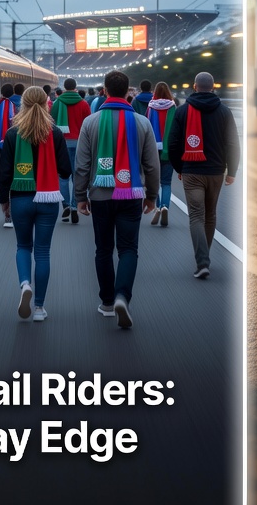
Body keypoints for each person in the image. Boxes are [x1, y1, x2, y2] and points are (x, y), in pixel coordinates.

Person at [74, 70, 159, 329]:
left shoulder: (90, 122)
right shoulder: (142, 123)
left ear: (106, 90)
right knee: (128, 248)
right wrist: (151, 195)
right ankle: (123, 296)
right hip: (131, 194)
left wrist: (80, 197)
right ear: (127, 91)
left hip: (100, 196)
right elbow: (152, 165)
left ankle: (108, 302)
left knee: (103, 249)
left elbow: (82, 165)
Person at [0, 86, 70, 323]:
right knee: (42, 252)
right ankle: (39, 307)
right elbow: (66, 170)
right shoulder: (55, 133)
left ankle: (25, 284)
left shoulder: (12, 133)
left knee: (23, 246)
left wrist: (3, 200)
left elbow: (4, 172)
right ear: (46, 103)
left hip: (21, 198)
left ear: (23, 104)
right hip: (47, 199)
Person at [168, 71, 240, 279]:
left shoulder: (182, 111)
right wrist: (232, 171)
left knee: (196, 216)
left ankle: (202, 261)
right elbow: (233, 143)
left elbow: (173, 143)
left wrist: (179, 168)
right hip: (216, 171)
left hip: (192, 171)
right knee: (210, 215)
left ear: (194, 86)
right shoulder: (224, 111)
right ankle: (204, 256)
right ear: (213, 87)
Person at [51, 78, 92, 224]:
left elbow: (51, 123)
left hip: (62, 144)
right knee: (77, 176)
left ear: (64, 87)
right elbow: (88, 124)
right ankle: (75, 206)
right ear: (75, 87)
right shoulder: (83, 103)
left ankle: (66, 205)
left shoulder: (57, 103)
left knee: (63, 176)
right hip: (80, 143)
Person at [144, 81, 178, 227]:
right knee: (166, 182)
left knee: (154, 182)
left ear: (155, 92)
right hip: (168, 149)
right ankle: (165, 206)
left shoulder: (151, 107)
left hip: (153, 149)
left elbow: (146, 127)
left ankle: (157, 207)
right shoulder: (173, 107)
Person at [0, 83, 19, 229]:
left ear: (1, 93)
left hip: (1, 147)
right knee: (16, 176)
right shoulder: (19, 107)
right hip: (18, 148)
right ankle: (15, 209)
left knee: (4, 176)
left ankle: (7, 213)